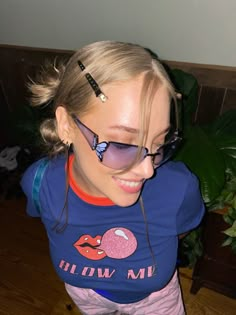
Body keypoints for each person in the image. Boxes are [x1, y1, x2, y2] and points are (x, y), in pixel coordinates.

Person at [21, 41, 205, 315]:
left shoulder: (178, 188)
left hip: (155, 301)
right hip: (86, 297)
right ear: (66, 125)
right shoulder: (39, 182)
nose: (147, 170)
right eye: (120, 145)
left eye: (160, 143)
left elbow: (181, 230)